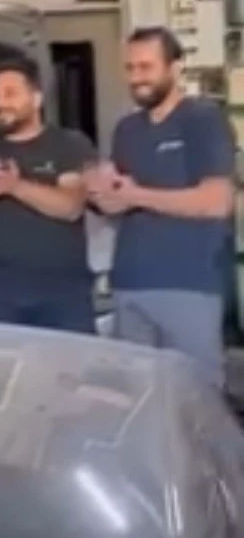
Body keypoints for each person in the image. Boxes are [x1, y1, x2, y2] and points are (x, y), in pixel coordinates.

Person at [86, 26, 236, 387]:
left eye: (146, 67)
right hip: (129, 285)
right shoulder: (126, 129)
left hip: (188, 287)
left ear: (176, 67)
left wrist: (136, 195)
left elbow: (217, 202)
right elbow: (118, 202)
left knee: (196, 398)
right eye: (129, 68)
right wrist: (100, 193)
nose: (136, 77)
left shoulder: (203, 120)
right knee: (137, 397)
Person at [0, 55, 98, 332]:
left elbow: (71, 207)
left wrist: (15, 186)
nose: (0, 103)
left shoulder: (69, 144)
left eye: (10, 93)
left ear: (37, 98)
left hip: (64, 292)